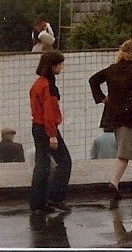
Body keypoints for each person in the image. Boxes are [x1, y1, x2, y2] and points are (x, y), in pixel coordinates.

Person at [88, 39, 132, 197]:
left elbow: (93, 80)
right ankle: (114, 182)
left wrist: (102, 98)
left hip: (114, 115)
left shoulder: (112, 69)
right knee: (126, 152)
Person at [29, 50, 72, 214]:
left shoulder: (38, 83)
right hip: (47, 128)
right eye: (59, 64)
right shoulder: (49, 86)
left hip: (37, 127)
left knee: (42, 164)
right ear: (52, 66)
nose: (61, 67)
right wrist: (52, 134)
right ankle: (56, 198)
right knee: (64, 161)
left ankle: (37, 203)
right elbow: (50, 112)